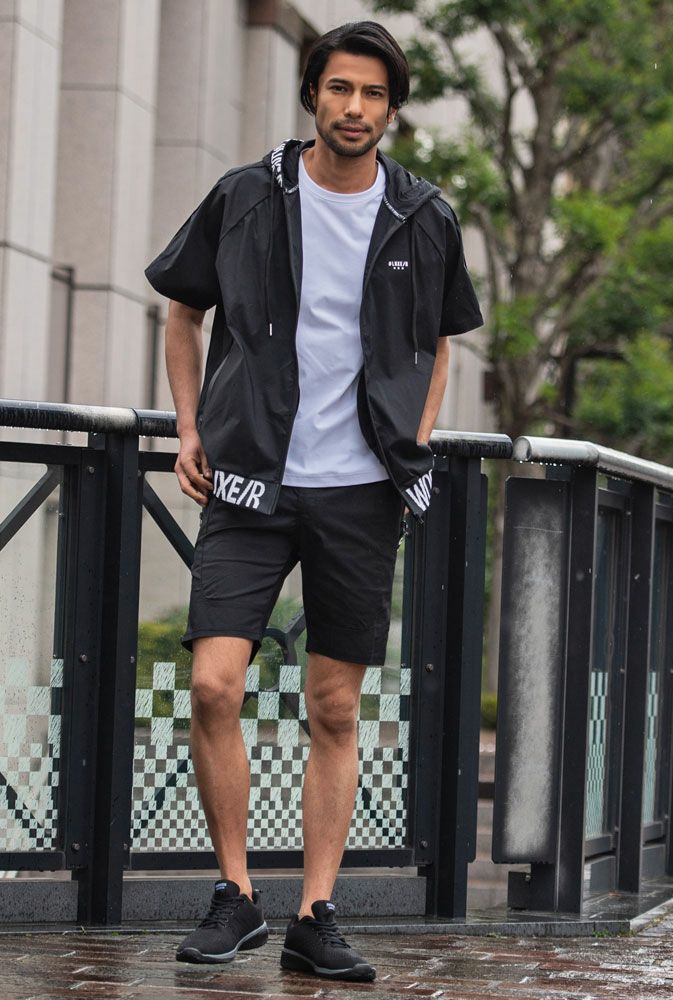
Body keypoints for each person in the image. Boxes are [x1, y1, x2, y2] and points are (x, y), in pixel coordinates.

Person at [144, 20, 483, 983]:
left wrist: (412, 444)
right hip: (250, 478)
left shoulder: (423, 214)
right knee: (214, 684)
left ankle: (316, 913)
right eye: (340, 88)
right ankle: (234, 895)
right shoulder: (247, 195)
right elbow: (182, 309)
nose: (354, 108)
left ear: (392, 109)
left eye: (373, 94)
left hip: (363, 491)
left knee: (334, 707)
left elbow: (440, 342)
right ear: (312, 96)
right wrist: (189, 426)